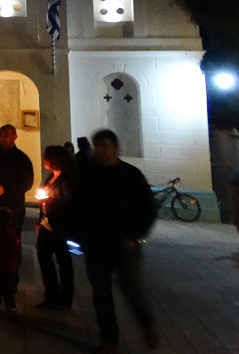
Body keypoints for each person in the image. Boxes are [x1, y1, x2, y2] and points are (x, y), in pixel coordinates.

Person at [75, 129, 159, 352]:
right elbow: (76, 206)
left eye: (104, 146)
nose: (100, 151)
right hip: (96, 245)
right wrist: (79, 236)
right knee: (100, 292)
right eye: (96, 146)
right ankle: (109, 338)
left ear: (116, 148)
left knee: (131, 288)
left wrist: (134, 236)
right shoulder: (87, 174)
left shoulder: (131, 175)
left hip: (125, 245)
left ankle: (147, 323)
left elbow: (148, 209)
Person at [35, 145, 75, 310]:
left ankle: (64, 298)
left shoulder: (66, 180)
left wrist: (50, 201)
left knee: (63, 261)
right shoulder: (51, 176)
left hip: (59, 227)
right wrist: (41, 218)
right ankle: (51, 294)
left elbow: (69, 203)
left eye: (47, 157)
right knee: (44, 256)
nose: (44, 159)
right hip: (47, 224)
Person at [0, 124, 34, 237]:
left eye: (6, 135)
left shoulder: (22, 159)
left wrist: (5, 189)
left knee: (12, 238)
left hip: (14, 205)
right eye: (0, 135)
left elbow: (27, 183)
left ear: (15, 137)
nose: (2, 138)